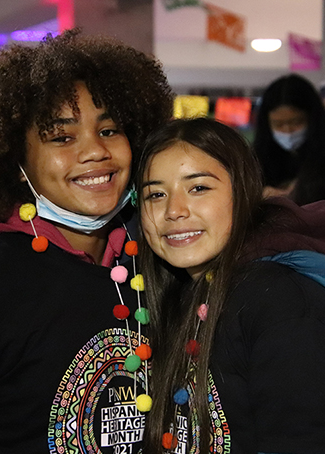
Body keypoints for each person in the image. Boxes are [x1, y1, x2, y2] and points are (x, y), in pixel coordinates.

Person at [0, 29, 173, 453]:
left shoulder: (155, 254)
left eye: (110, 130)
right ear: (16, 159)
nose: (95, 151)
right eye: (62, 137)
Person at [136, 117, 325, 453]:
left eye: (198, 188)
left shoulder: (277, 299)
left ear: (242, 191)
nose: (174, 210)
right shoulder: (177, 294)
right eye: (156, 194)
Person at [253, 73, 325, 204]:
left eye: (296, 122)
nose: (288, 131)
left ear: (313, 119)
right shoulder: (256, 161)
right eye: (278, 124)